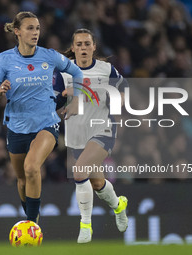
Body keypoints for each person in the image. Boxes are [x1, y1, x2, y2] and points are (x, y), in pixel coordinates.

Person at [0, 11, 83, 223]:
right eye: (30, 28)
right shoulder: (4, 59)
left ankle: (32, 225)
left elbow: (77, 73)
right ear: (17, 32)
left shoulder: (49, 56)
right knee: (21, 179)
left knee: (31, 167)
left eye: (37, 28)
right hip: (16, 126)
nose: (35, 32)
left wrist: (75, 99)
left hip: (46, 123)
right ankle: (32, 217)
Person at [54, 28, 128, 243]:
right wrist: (63, 97)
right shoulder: (64, 73)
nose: (83, 48)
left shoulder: (106, 70)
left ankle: (85, 225)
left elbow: (124, 89)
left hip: (102, 128)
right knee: (97, 184)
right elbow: (55, 101)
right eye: (79, 44)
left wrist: (119, 99)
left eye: (87, 44)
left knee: (78, 172)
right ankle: (119, 206)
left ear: (94, 47)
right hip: (77, 134)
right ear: (73, 48)